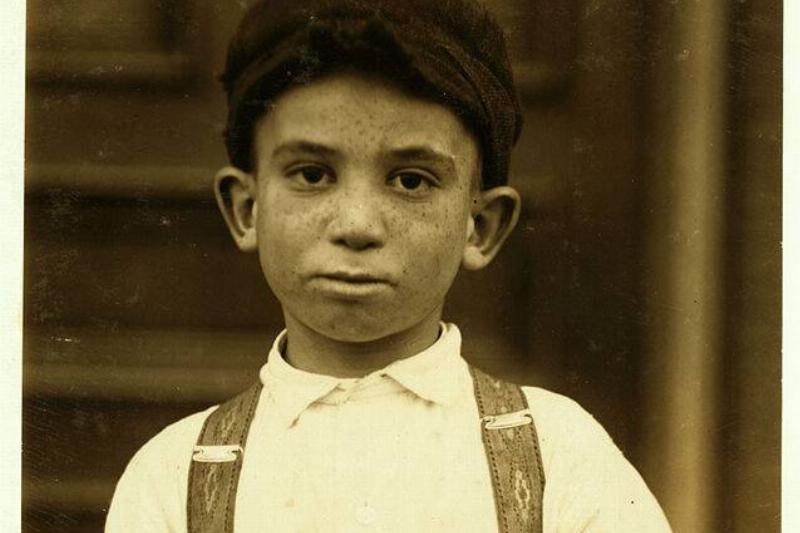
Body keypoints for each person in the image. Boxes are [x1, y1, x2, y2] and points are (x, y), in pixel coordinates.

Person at [106, 0, 672, 531]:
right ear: (247, 209)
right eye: (312, 174)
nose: (357, 225)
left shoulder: (559, 457)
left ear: (481, 225)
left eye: (411, 181)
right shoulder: (174, 475)